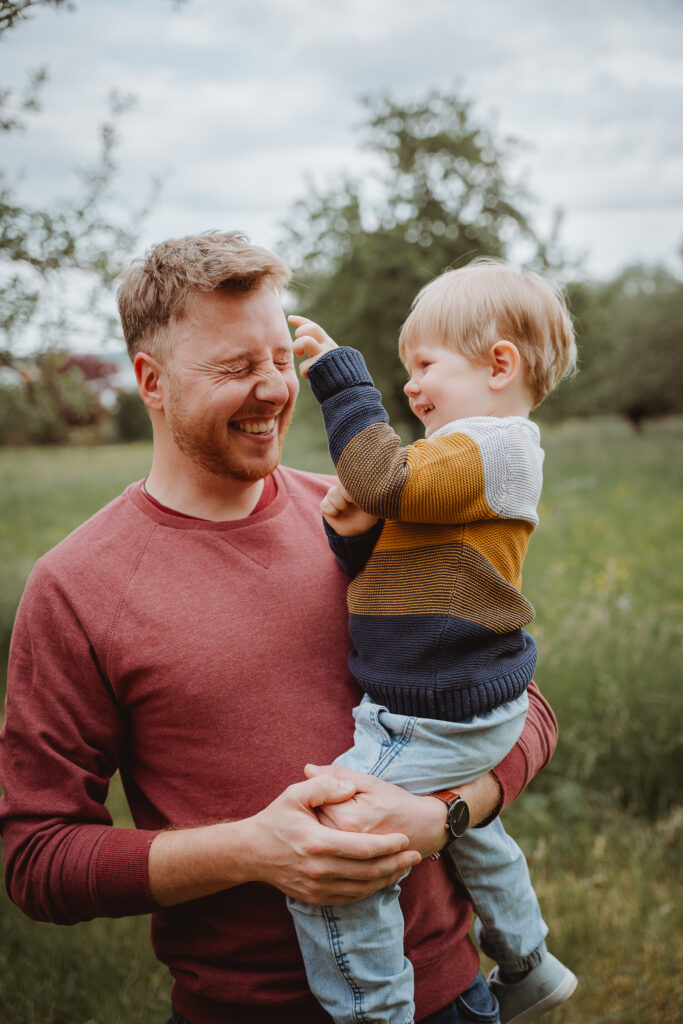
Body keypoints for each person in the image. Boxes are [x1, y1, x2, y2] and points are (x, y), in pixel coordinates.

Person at [0, 233, 559, 1024]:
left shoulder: (360, 512)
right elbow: (38, 859)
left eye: (277, 360)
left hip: (453, 998)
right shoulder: (75, 586)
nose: (270, 389)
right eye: (234, 368)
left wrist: (447, 817)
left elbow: (523, 705)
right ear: (150, 382)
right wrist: (255, 850)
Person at [287, 259, 578, 1024]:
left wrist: (340, 379)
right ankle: (525, 962)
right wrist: (352, 538)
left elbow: (381, 478)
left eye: (424, 365)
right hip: (453, 700)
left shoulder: (494, 447)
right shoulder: (457, 461)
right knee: (473, 834)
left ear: (499, 365)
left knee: (334, 840)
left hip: (431, 708)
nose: (409, 385)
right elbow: (393, 571)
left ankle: (374, 1011)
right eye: (401, 369)